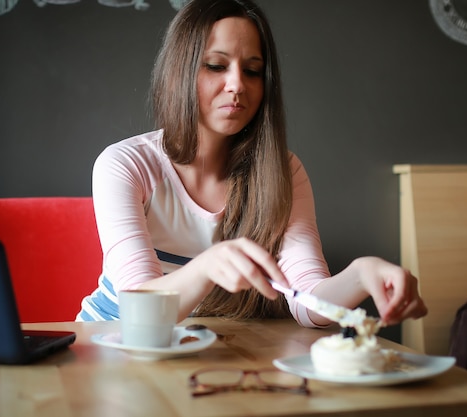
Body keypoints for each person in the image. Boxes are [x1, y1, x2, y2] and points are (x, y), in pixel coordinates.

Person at [77, 0, 428, 328]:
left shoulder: (284, 171)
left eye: (253, 71)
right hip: (110, 341)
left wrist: (360, 275)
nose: (237, 85)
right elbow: (140, 311)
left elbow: (307, 303)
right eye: (216, 66)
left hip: (200, 349)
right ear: (178, 72)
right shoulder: (125, 164)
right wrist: (207, 267)